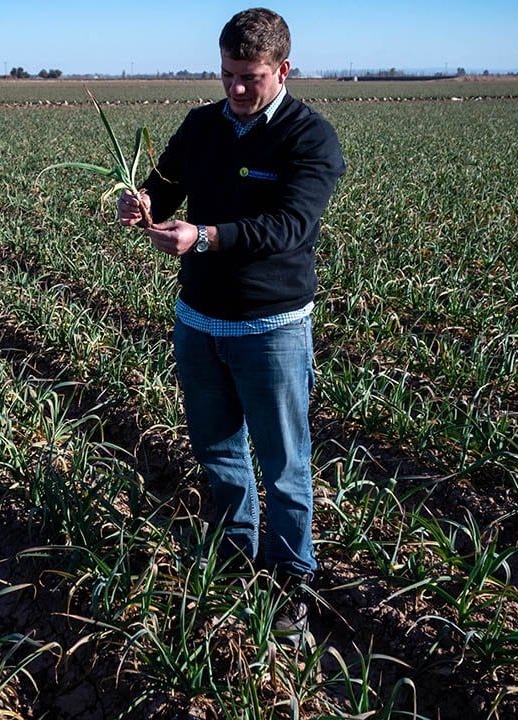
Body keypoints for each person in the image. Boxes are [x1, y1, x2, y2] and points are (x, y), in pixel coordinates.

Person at [118, 7, 345, 649]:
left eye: (250, 77)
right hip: (198, 322)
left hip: (270, 328)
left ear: (283, 70)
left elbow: (290, 227)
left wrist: (206, 237)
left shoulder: (310, 138)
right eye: (227, 75)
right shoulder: (200, 127)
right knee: (218, 455)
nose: (236, 89)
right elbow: (160, 191)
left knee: (284, 468)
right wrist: (137, 205)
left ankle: (292, 587)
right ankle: (234, 566)